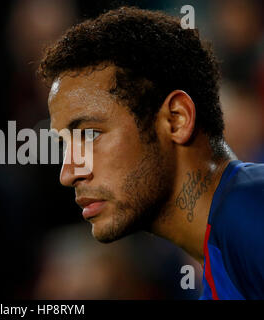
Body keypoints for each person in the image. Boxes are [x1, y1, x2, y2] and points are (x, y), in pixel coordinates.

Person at [38, 7, 264, 300]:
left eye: (90, 135)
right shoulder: (226, 250)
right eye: (64, 145)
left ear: (176, 119)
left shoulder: (251, 214)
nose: (68, 173)